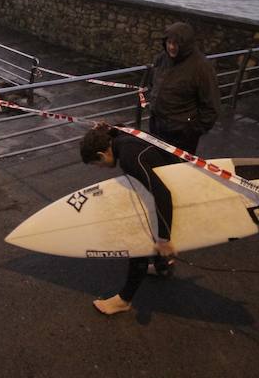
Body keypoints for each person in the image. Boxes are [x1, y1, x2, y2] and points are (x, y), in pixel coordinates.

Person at [80, 123, 179, 315]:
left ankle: (124, 300)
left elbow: (162, 194)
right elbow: (117, 125)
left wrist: (164, 239)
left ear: (101, 154)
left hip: (177, 188)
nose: (100, 168)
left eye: (96, 164)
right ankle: (161, 266)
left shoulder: (128, 157)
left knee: (138, 243)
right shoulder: (120, 134)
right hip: (176, 172)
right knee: (144, 227)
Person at [147, 22, 221, 154]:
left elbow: (211, 106)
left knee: (176, 169)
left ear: (185, 44)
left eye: (176, 44)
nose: (171, 47)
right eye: (169, 42)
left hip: (182, 134)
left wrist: (193, 130)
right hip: (157, 126)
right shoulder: (162, 58)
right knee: (156, 163)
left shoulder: (201, 67)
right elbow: (153, 84)